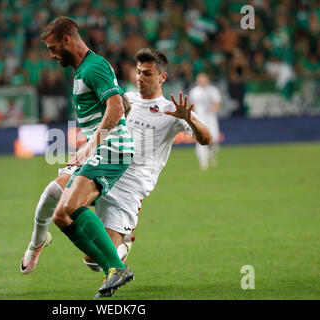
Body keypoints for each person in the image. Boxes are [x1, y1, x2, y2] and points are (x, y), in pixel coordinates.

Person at [20, 47, 212, 296]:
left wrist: (191, 119)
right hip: (104, 163)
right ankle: (37, 243)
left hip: (129, 188)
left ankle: (122, 247)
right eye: (139, 72)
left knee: (92, 260)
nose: (141, 78)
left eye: (148, 74)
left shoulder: (172, 110)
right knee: (53, 191)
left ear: (162, 77)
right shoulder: (125, 99)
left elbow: (207, 139)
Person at [38, 16, 135, 298]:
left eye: (54, 48)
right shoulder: (82, 70)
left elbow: (116, 107)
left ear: (67, 40)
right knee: (61, 215)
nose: (52, 54)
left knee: (66, 209)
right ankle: (114, 269)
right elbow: (117, 104)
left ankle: (116, 267)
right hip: (102, 148)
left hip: (111, 149)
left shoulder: (94, 66)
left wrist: (91, 144)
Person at [189, 73, 221, 170]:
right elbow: (191, 105)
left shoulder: (213, 90)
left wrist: (213, 109)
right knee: (200, 141)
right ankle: (203, 163)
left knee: (214, 140)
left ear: (207, 79)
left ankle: (212, 156)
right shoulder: (194, 91)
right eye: (200, 79)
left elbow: (217, 103)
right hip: (199, 120)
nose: (202, 81)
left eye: (204, 79)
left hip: (211, 119)